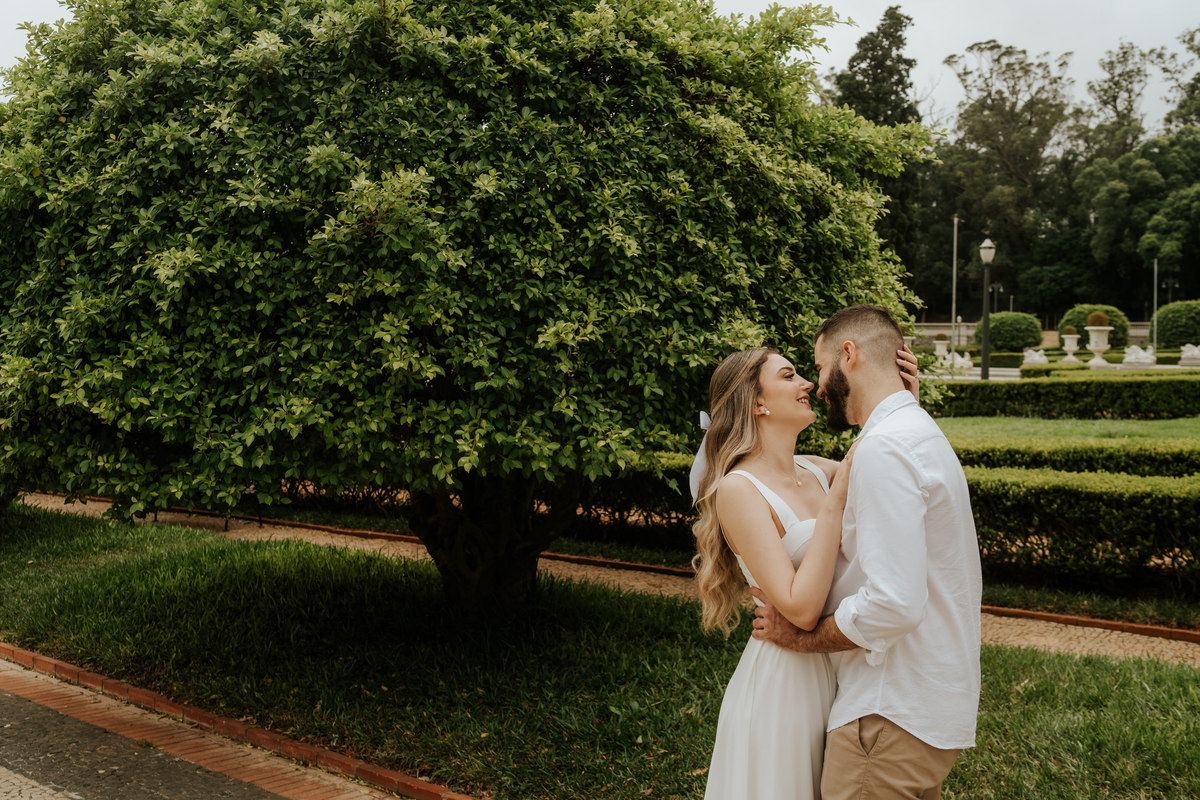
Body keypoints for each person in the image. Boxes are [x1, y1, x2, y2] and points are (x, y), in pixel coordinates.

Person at [750, 304, 982, 800]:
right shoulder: (912, 434)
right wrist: (903, 401)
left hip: (887, 715)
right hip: (925, 708)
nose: (816, 383)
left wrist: (800, 639)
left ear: (847, 355)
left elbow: (892, 604)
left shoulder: (887, 448)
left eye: (816, 366)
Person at [690, 342, 918, 800]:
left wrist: (904, 402)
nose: (808, 384)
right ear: (756, 402)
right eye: (789, 375)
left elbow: (893, 465)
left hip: (840, 669)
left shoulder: (815, 470)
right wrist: (834, 506)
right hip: (786, 684)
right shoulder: (738, 489)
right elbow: (799, 609)